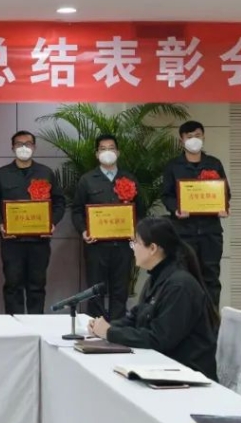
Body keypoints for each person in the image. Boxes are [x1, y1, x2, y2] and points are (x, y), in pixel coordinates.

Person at [88, 217, 219, 380]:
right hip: (162, 366)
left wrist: (110, 333)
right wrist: (104, 327)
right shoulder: (156, 278)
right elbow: (135, 318)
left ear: (152, 248)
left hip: (187, 374)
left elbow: (159, 338)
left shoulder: (180, 286)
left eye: (136, 243)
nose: (133, 248)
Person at [0, 130, 65, 315]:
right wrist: (0, 224)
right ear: (13, 148)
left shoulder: (45, 173)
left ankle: (36, 325)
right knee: (13, 286)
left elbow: (59, 202)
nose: (24, 147)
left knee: (37, 286)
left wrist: (52, 222)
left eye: (28, 144)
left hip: (39, 242)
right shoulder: (1, 175)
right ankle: (15, 325)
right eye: (19, 144)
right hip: (12, 243)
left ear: (34, 147)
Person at [71, 134, 146, 320]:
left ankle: (117, 329)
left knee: (120, 290)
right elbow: (77, 210)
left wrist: (135, 231)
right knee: (95, 290)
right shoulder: (87, 180)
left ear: (118, 152)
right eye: (103, 149)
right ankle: (95, 328)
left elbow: (141, 210)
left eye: (111, 148)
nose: (107, 152)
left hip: (123, 246)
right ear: (97, 154)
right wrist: (84, 231)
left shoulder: (129, 178)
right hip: (96, 246)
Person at [161, 121, 231, 309]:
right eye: (189, 136)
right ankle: (186, 321)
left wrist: (224, 206)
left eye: (198, 135)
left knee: (211, 278)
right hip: (183, 232)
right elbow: (166, 195)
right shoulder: (173, 166)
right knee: (184, 278)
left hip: (210, 232)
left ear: (204, 137)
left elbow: (225, 192)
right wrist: (176, 209)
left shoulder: (214, 164)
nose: (194, 140)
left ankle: (211, 321)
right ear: (181, 140)